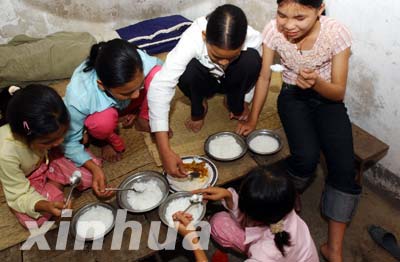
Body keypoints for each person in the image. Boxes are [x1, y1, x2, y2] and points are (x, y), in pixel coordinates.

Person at [238, 1, 362, 261]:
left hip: (328, 99)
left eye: (300, 17)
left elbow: (338, 92)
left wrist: (317, 82)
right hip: (292, 96)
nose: (289, 25)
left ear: (320, 10)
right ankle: (280, 203)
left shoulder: (336, 32)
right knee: (305, 158)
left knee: (344, 166)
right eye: (282, 15)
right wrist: (252, 117)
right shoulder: (273, 31)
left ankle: (334, 250)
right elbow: (263, 78)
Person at [148, 4, 262, 177]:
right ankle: (200, 104)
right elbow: (161, 86)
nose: (223, 63)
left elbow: (257, 75)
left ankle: (232, 99)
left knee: (252, 61)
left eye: (231, 56)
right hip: (203, 81)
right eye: (217, 56)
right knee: (187, 71)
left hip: (230, 80)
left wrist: (245, 98)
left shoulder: (253, 37)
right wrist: (164, 151)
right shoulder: (192, 37)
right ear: (204, 37)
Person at [63, 39, 162, 196]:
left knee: (158, 78)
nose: (136, 95)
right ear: (102, 85)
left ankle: (143, 119)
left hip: (125, 106)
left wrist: (140, 112)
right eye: (127, 92)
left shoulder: (137, 61)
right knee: (102, 123)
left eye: (139, 86)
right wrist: (94, 169)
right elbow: (69, 143)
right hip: (102, 114)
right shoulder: (79, 97)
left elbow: (160, 78)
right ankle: (103, 140)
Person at [173, 167, 318, 261]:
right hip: (291, 253)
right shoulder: (281, 205)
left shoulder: (265, 254)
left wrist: (192, 239)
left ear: (252, 217)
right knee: (218, 222)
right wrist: (227, 195)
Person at [0, 85, 95, 227]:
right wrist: (43, 205)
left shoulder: (55, 115)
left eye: (62, 134)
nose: (60, 141)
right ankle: (53, 184)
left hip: (49, 157)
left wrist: (82, 135)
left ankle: (52, 183)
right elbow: (18, 193)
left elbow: (69, 137)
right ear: (23, 138)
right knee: (34, 220)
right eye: (49, 141)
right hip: (29, 175)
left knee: (89, 176)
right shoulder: (6, 153)